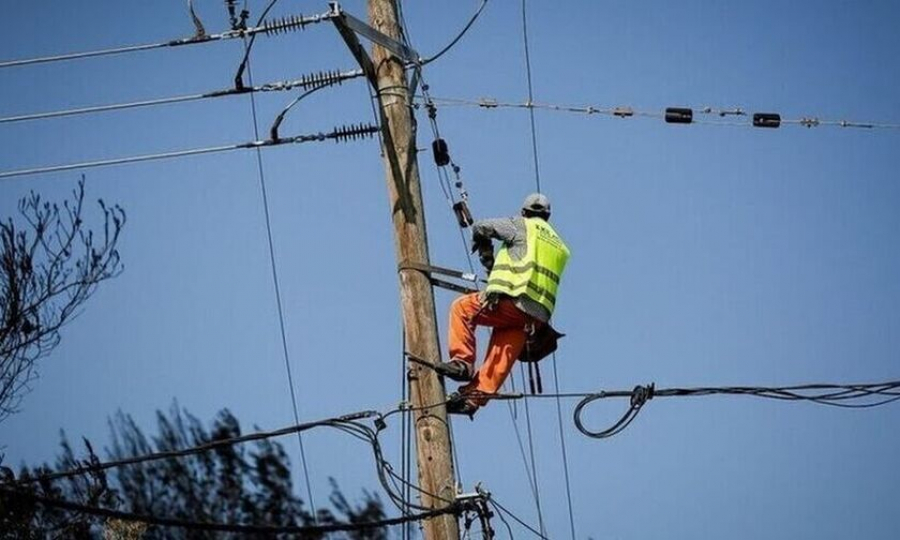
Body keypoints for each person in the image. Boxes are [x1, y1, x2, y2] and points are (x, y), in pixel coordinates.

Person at [436, 193, 571, 416]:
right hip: (537, 316)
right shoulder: (559, 245)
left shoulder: (522, 225)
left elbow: (482, 227)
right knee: (502, 354)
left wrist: (484, 247)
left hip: (516, 302)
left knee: (462, 308)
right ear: (547, 216)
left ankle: (462, 363)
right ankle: (472, 400)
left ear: (525, 212)